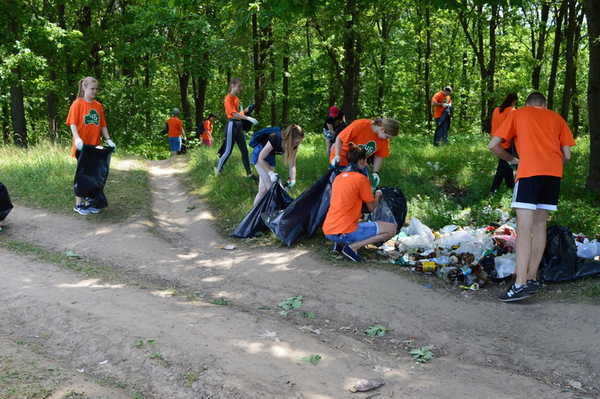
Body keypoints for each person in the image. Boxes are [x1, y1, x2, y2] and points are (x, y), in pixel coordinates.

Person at [489, 92, 576, 302]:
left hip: (529, 173)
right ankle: (532, 277)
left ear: (527, 104)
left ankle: (519, 284)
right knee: (539, 227)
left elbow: (493, 145)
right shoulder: (557, 118)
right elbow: (567, 155)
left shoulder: (518, 114)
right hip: (552, 175)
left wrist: (512, 160)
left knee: (524, 229)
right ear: (544, 104)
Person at [323, 147, 397, 262]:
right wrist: (377, 195)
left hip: (328, 229)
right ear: (361, 161)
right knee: (391, 228)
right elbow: (372, 208)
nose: (367, 164)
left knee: (353, 218)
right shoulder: (361, 179)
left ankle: (338, 244)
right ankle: (352, 248)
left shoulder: (338, 178)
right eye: (366, 161)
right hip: (345, 231)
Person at [66, 76, 115, 215]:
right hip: (82, 146)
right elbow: (72, 123)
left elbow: (103, 125)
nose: (94, 91)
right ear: (84, 88)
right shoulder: (77, 104)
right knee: (83, 174)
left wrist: (108, 139)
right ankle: (79, 205)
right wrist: (77, 139)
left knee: (93, 175)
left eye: (96, 89)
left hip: (95, 147)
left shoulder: (98, 106)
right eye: (92, 89)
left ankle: (90, 203)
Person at [329, 117, 400, 188]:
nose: (387, 139)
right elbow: (339, 138)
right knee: (340, 186)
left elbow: (380, 156)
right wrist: (337, 156)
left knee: (358, 186)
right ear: (382, 129)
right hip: (341, 157)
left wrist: (375, 173)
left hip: (359, 162)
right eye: (387, 137)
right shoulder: (361, 125)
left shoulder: (383, 140)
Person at [251, 124, 304, 206]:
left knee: (263, 190)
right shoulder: (277, 138)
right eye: (297, 141)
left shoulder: (294, 146)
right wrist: (270, 173)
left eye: (299, 141)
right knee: (271, 188)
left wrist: (292, 179)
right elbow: (261, 158)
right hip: (259, 155)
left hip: (270, 156)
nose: (298, 144)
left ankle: (254, 214)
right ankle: (272, 212)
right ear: (290, 139)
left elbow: (292, 164)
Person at [215, 77, 257, 178]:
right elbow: (233, 114)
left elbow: (239, 113)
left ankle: (249, 173)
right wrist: (248, 118)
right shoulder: (228, 98)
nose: (240, 88)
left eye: (241, 86)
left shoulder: (237, 99)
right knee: (228, 151)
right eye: (239, 86)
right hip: (231, 125)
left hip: (239, 126)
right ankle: (217, 170)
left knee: (244, 150)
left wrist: (247, 110)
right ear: (232, 85)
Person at [490, 93, 518, 193]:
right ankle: (493, 190)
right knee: (502, 167)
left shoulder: (496, 110)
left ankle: (510, 185)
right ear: (514, 101)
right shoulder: (512, 111)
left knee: (507, 164)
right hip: (506, 142)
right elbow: (513, 128)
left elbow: (493, 125)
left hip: (495, 141)